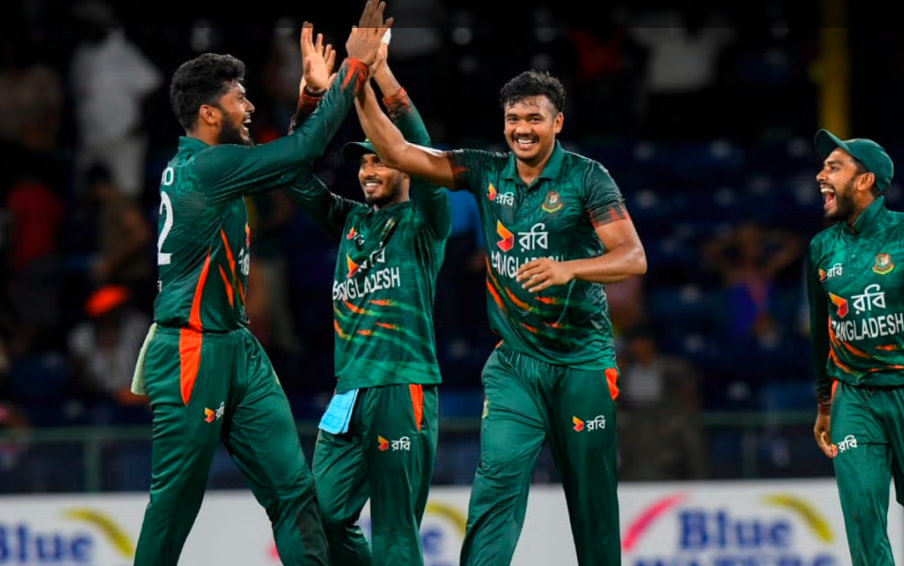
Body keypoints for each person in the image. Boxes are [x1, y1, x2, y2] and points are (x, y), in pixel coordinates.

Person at [128, 6, 392, 565]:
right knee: (175, 504)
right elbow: (300, 153)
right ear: (207, 113)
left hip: (237, 345)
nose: (248, 107)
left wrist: (311, 103)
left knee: (296, 493)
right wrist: (356, 68)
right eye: (238, 99)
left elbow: (288, 164)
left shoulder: (214, 164)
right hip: (192, 348)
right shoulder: (207, 167)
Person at [355, 69, 647, 565]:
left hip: (582, 364)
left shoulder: (587, 177)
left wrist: (568, 268)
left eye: (535, 118)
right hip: (514, 365)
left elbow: (632, 257)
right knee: (494, 490)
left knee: (593, 506)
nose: (522, 128)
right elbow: (401, 153)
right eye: (513, 118)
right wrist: (363, 81)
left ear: (557, 122)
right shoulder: (486, 171)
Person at [289, 37, 450, 565]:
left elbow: (423, 146)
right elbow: (293, 175)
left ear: (405, 167)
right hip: (349, 393)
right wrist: (311, 100)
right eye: (363, 164)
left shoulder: (425, 224)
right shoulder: (350, 221)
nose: (369, 171)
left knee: (396, 534)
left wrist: (373, 78)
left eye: (381, 160)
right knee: (325, 518)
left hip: (402, 385)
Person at [807, 128, 903, 566]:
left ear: (865, 181)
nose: (819, 176)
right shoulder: (822, 248)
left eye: (833, 167)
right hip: (854, 398)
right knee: (863, 520)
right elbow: (820, 330)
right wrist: (825, 404)